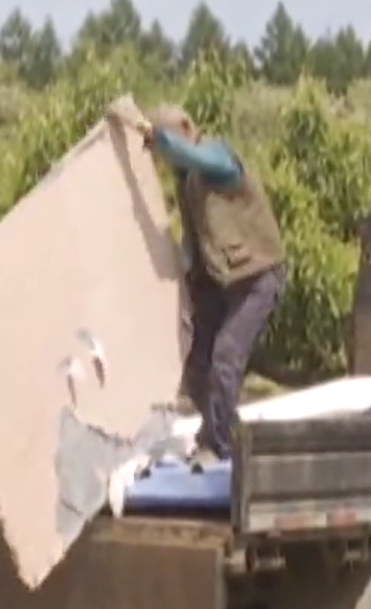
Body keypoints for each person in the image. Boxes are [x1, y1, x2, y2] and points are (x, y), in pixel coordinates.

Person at [109, 102, 288, 466]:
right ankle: (223, 432)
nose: (165, 159)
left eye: (166, 147)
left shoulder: (217, 157)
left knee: (225, 358)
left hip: (255, 277)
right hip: (220, 281)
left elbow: (190, 155)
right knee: (195, 363)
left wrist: (149, 133)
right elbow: (196, 240)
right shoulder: (188, 181)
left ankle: (223, 449)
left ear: (188, 128)